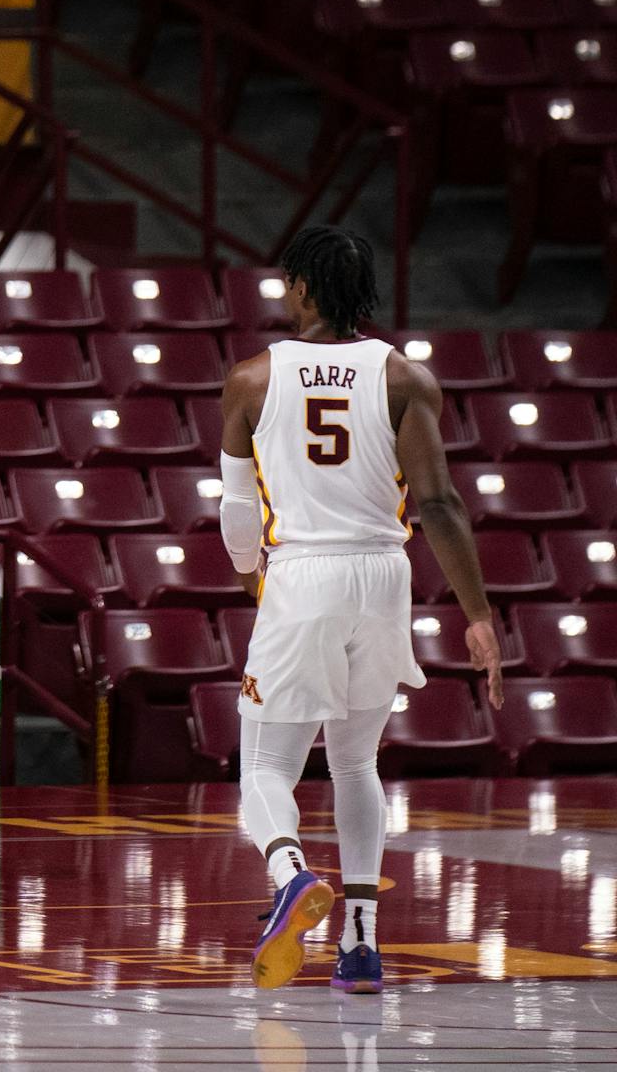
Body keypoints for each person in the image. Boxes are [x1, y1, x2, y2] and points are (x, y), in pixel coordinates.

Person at [219, 225, 502, 995]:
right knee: (355, 762)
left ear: (302, 288)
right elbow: (439, 504)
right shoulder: (405, 378)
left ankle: (289, 878)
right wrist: (477, 614)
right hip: (385, 575)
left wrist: (253, 577)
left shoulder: (251, 379)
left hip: (303, 573)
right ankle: (362, 945)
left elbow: (238, 514)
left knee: (265, 769)